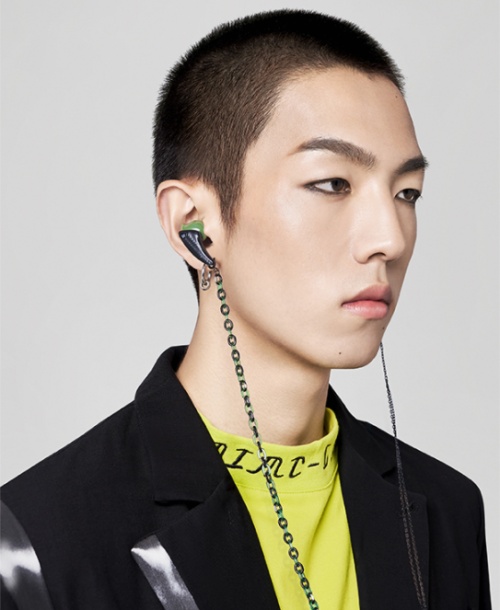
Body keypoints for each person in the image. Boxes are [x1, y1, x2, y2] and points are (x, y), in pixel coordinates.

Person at [0, 9, 491, 610]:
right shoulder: (34, 546)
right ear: (193, 225)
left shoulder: (447, 509)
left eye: (407, 192)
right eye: (333, 183)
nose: (389, 237)